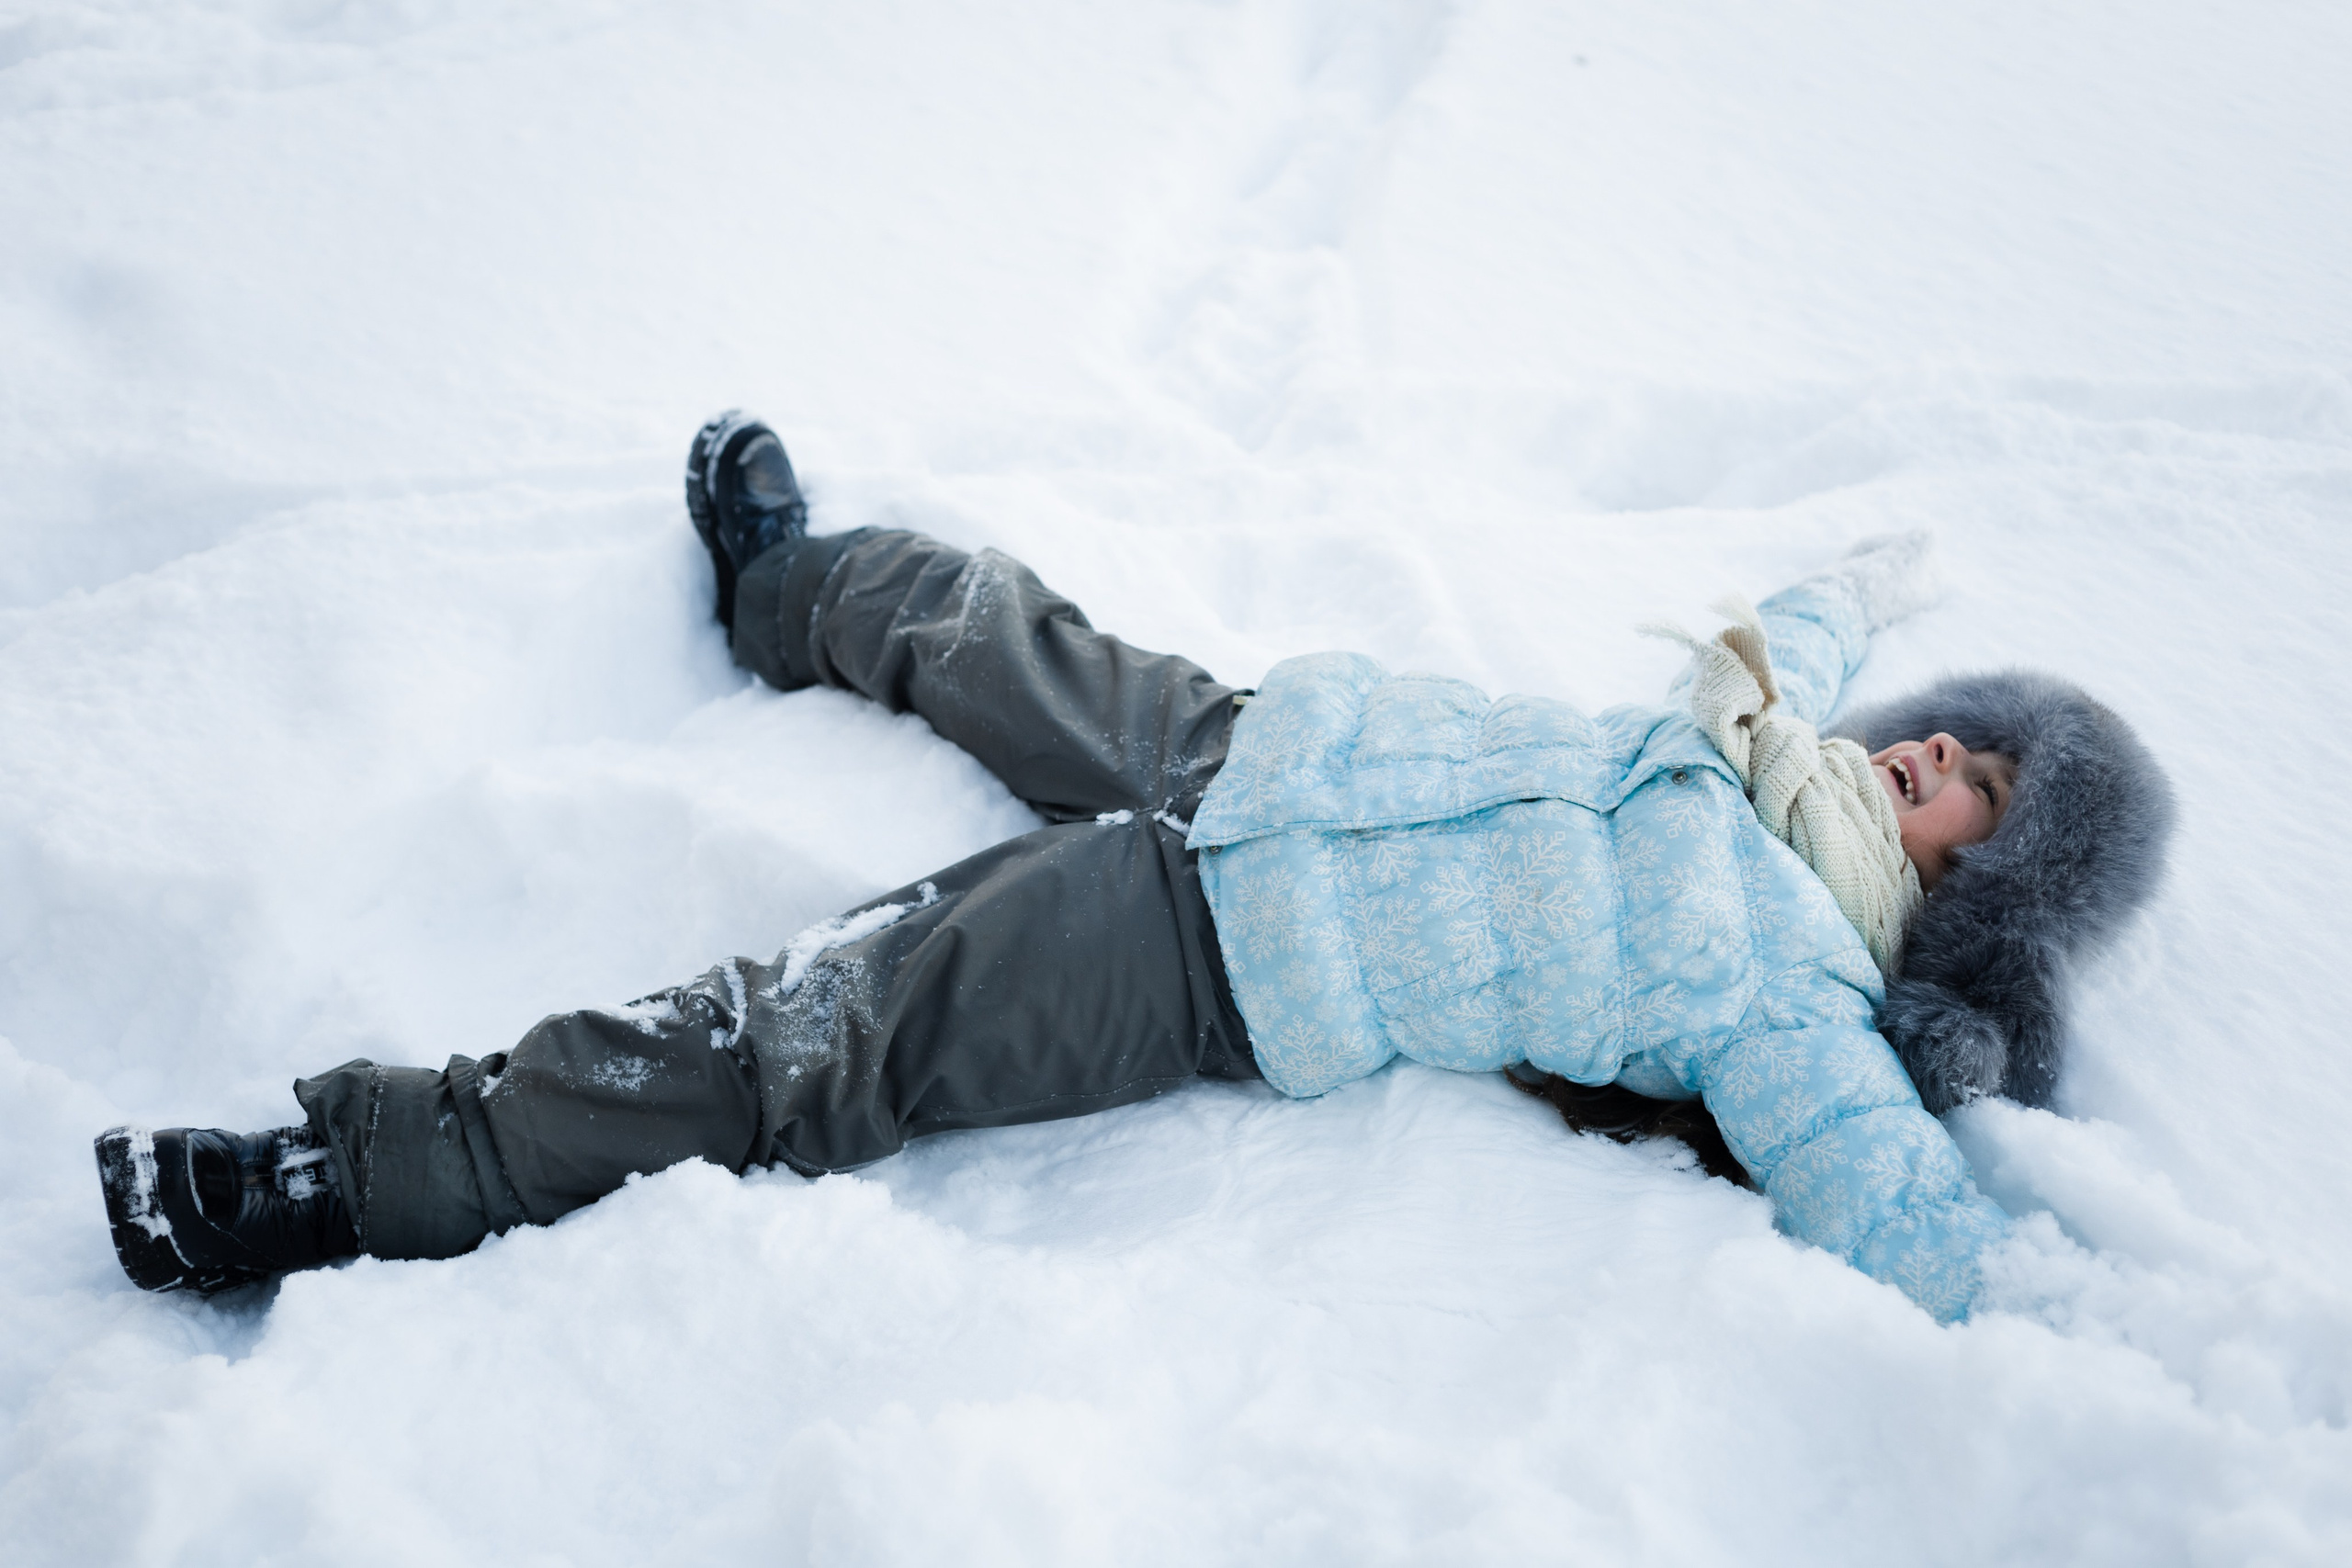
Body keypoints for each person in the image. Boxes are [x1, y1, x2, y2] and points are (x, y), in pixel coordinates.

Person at [94, 413, 2175, 1322]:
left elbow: (1895, 1207)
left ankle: (349, 1173)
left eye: (1975, 791)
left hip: (1214, 947)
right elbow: (1805, 633)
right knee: (983, 617)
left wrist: (2060, 1291)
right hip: (1261, 738)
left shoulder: (1790, 990)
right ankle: (781, 586)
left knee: (809, 1038)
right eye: (1957, 726)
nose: (1932, 753)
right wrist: (1869, 571)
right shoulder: (1749, 739)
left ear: (1975, 884)